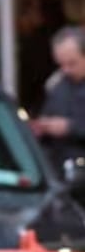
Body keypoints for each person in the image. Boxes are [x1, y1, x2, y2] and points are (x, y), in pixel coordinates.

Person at [32, 27, 85, 184]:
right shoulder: (57, 85)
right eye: (61, 65)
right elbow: (48, 113)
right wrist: (42, 127)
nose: (66, 70)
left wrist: (70, 127)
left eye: (72, 63)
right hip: (62, 175)